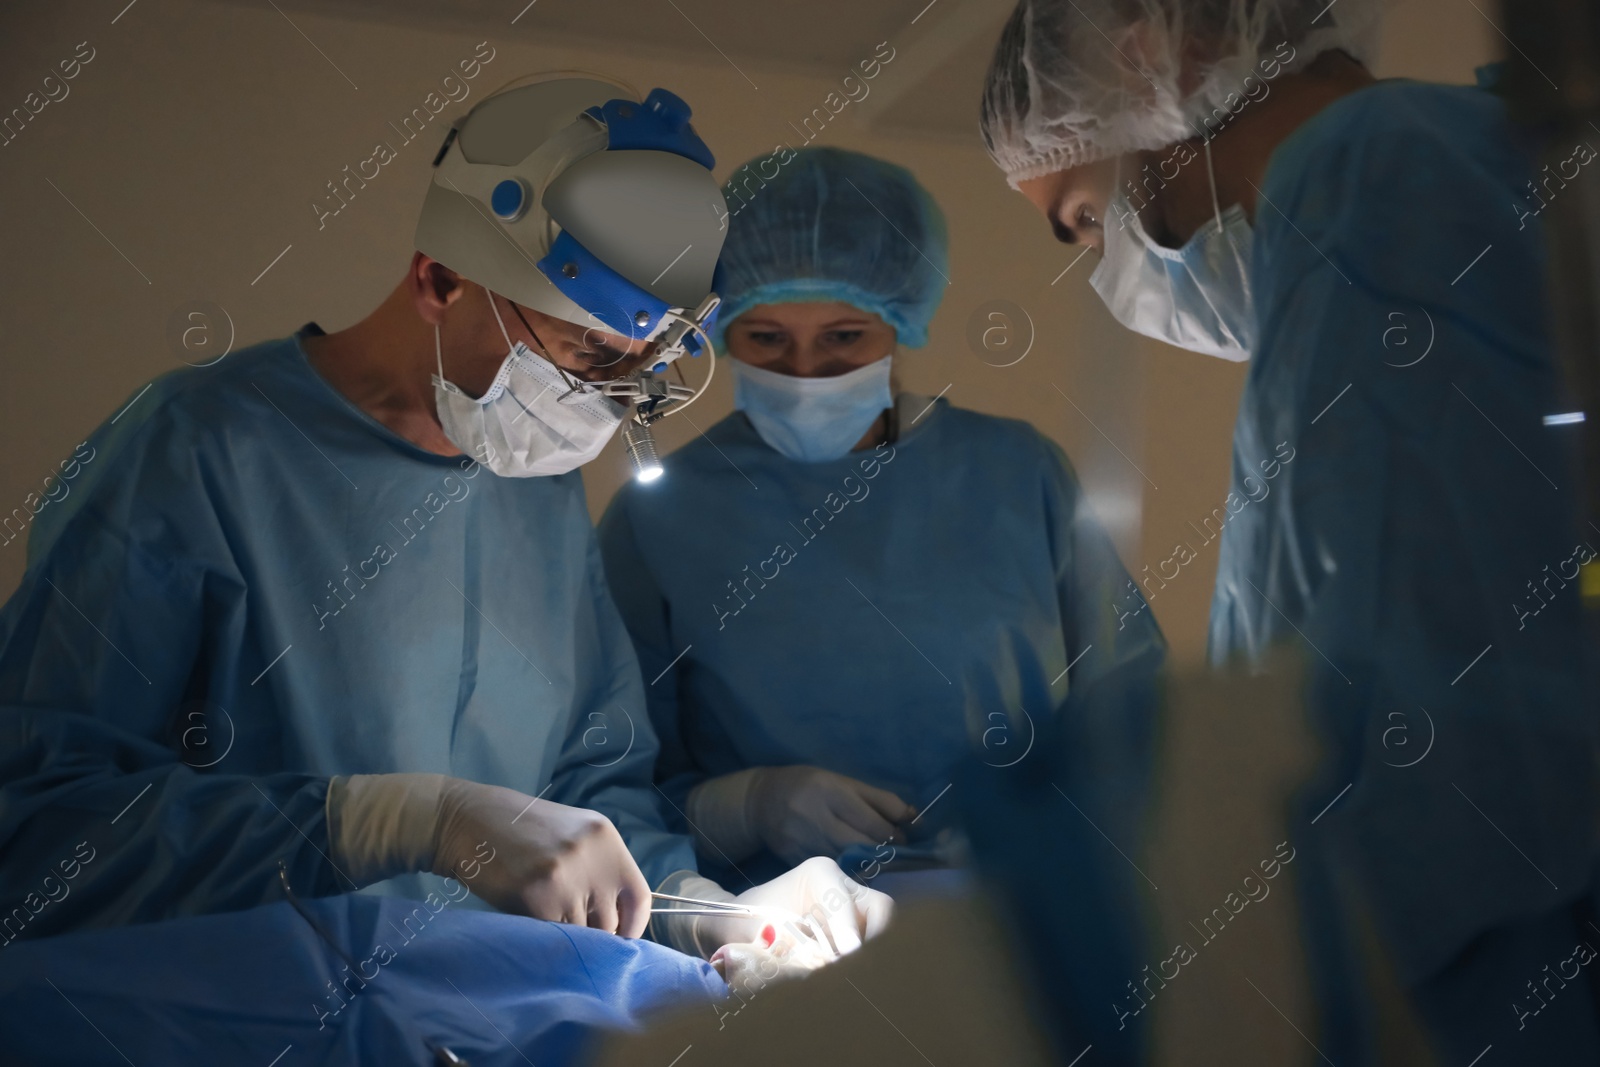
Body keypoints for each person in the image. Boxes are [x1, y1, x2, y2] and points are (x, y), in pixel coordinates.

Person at [0, 74, 886, 963]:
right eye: (586, 352)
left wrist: (702, 907)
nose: (605, 403)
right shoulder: (199, 450)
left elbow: (592, 790)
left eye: (638, 369)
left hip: (491, 1017)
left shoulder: (533, 480)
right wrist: (385, 823)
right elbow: (39, 829)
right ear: (441, 278)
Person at [978, 1, 1600, 1061]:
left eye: (1086, 217)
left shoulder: (1369, 176)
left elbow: (1442, 755)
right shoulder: (1457, 172)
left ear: (1153, 58)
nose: (1111, 267)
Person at [597, 146, 1165, 892]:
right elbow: (607, 788)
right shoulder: (660, 515)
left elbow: (1135, 715)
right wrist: (749, 806)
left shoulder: (1018, 474)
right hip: (775, 930)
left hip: (1020, 910)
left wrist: (1054, 818)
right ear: (718, 328)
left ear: (900, 323)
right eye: (766, 338)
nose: (804, 372)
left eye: (844, 338)